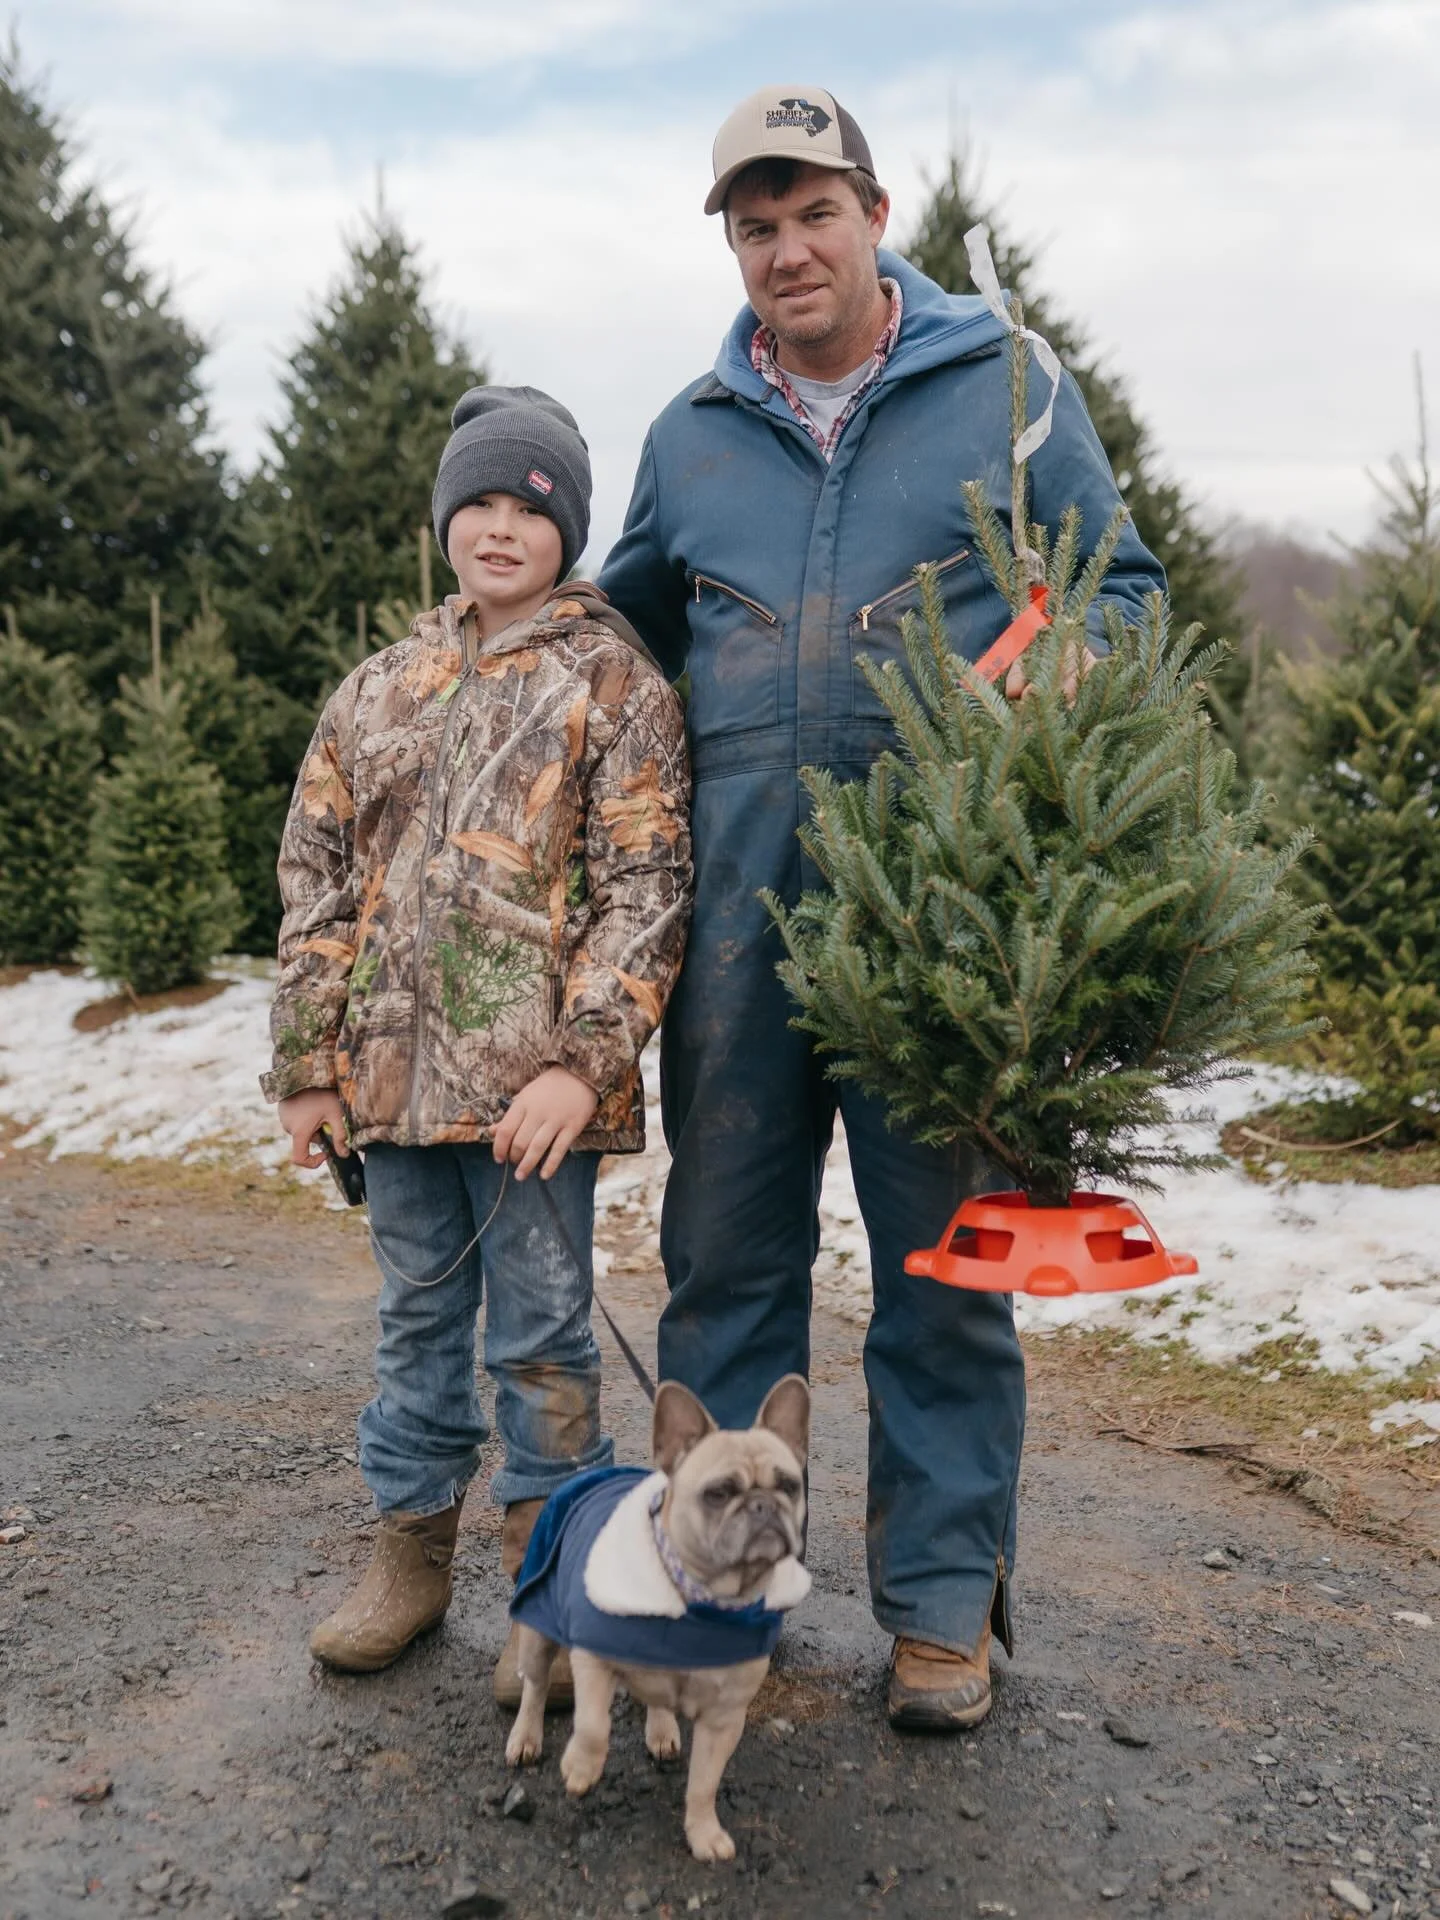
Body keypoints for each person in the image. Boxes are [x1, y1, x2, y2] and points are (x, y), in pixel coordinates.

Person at [598, 87, 1167, 1730]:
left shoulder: (1000, 385)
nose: (787, 249)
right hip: (737, 935)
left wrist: (1053, 680)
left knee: (945, 1268)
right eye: (754, 225)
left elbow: (1119, 588)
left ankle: (936, 1613)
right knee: (723, 1265)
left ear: (874, 207)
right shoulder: (693, 432)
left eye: (812, 213)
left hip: (944, 929)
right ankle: (719, 1603)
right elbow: (619, 646)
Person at [263, 386, 692, 1705]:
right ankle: (408, 1555)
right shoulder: (380, 689)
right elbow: (317, 881)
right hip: (389, 1094)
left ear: (567, 527)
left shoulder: (610, 682)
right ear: (447, 517)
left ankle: (550, 1579)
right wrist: (307, 1065)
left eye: (533, 506)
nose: (503, 528)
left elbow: (650, 884)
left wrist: (584, 1062)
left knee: (546, 1338)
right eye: (481, 503)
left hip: (533, 1102)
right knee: (415, 1325)